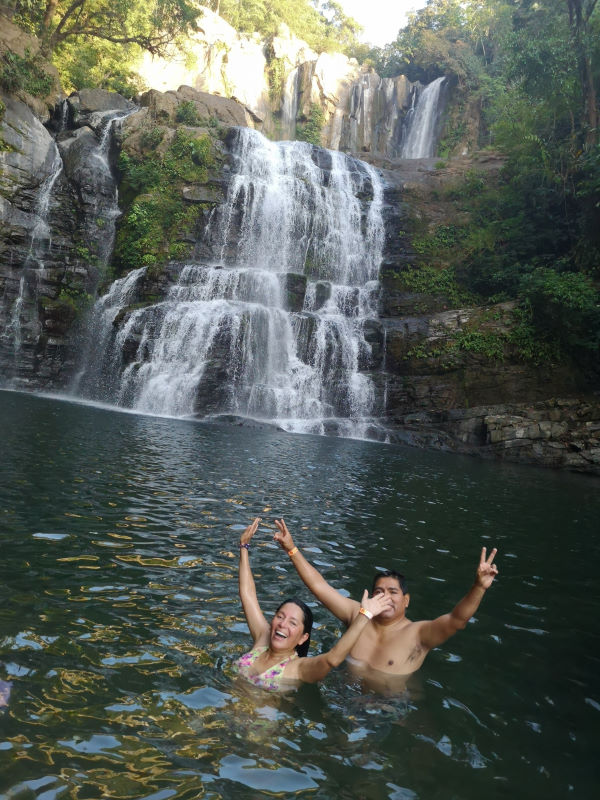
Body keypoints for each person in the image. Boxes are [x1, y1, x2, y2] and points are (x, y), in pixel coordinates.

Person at [274, 519, 498, 693]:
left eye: (393, 592)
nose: (385, 597)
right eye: (379, 592)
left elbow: (457, 621)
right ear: (370, 597)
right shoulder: (356, 615)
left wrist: (478, 587)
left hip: (389, 705)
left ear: (406, 600)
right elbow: (319, 587)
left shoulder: (418, 634)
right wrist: (292, 549)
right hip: (344, 695)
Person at [234, 517, 393, 691]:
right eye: (280, 616)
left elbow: (332, 659)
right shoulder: (263, 638)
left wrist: (365, 614)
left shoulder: (299, 668)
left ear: (303, 638)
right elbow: (248, 595)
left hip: (258, 717)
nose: (283, 624)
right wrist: (244, 547)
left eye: (293, 623)